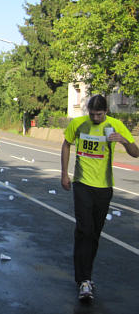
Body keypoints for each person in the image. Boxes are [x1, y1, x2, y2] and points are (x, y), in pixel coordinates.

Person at [61, 94, 139, 301]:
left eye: (100, 114)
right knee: (85, 229)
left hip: (104, 187)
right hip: (82, 184)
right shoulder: (78, 124)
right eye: (92, 114)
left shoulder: (115, 125)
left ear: (106, 112)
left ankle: (86, 274)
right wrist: (64, 174)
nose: (96, 118)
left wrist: (122, 140)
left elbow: (135, 153)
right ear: (88, 111)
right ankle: (84, 279)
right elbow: (66, 144)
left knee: (94, 233)